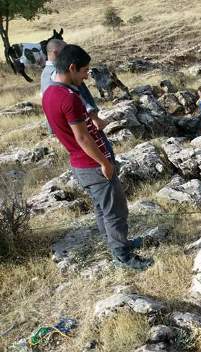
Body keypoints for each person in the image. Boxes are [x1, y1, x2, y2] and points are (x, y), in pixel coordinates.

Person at [42, 44, 152, 271]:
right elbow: (82, 138)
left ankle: (116, 243)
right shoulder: (68, 98)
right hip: (93, 164)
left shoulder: (49, 93)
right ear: (72, 68)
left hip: (80, 165)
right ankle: (122, 256)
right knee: (116, 211)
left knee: (102, 208)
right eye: (84, 71)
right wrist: (104, 163)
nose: (86, 76)